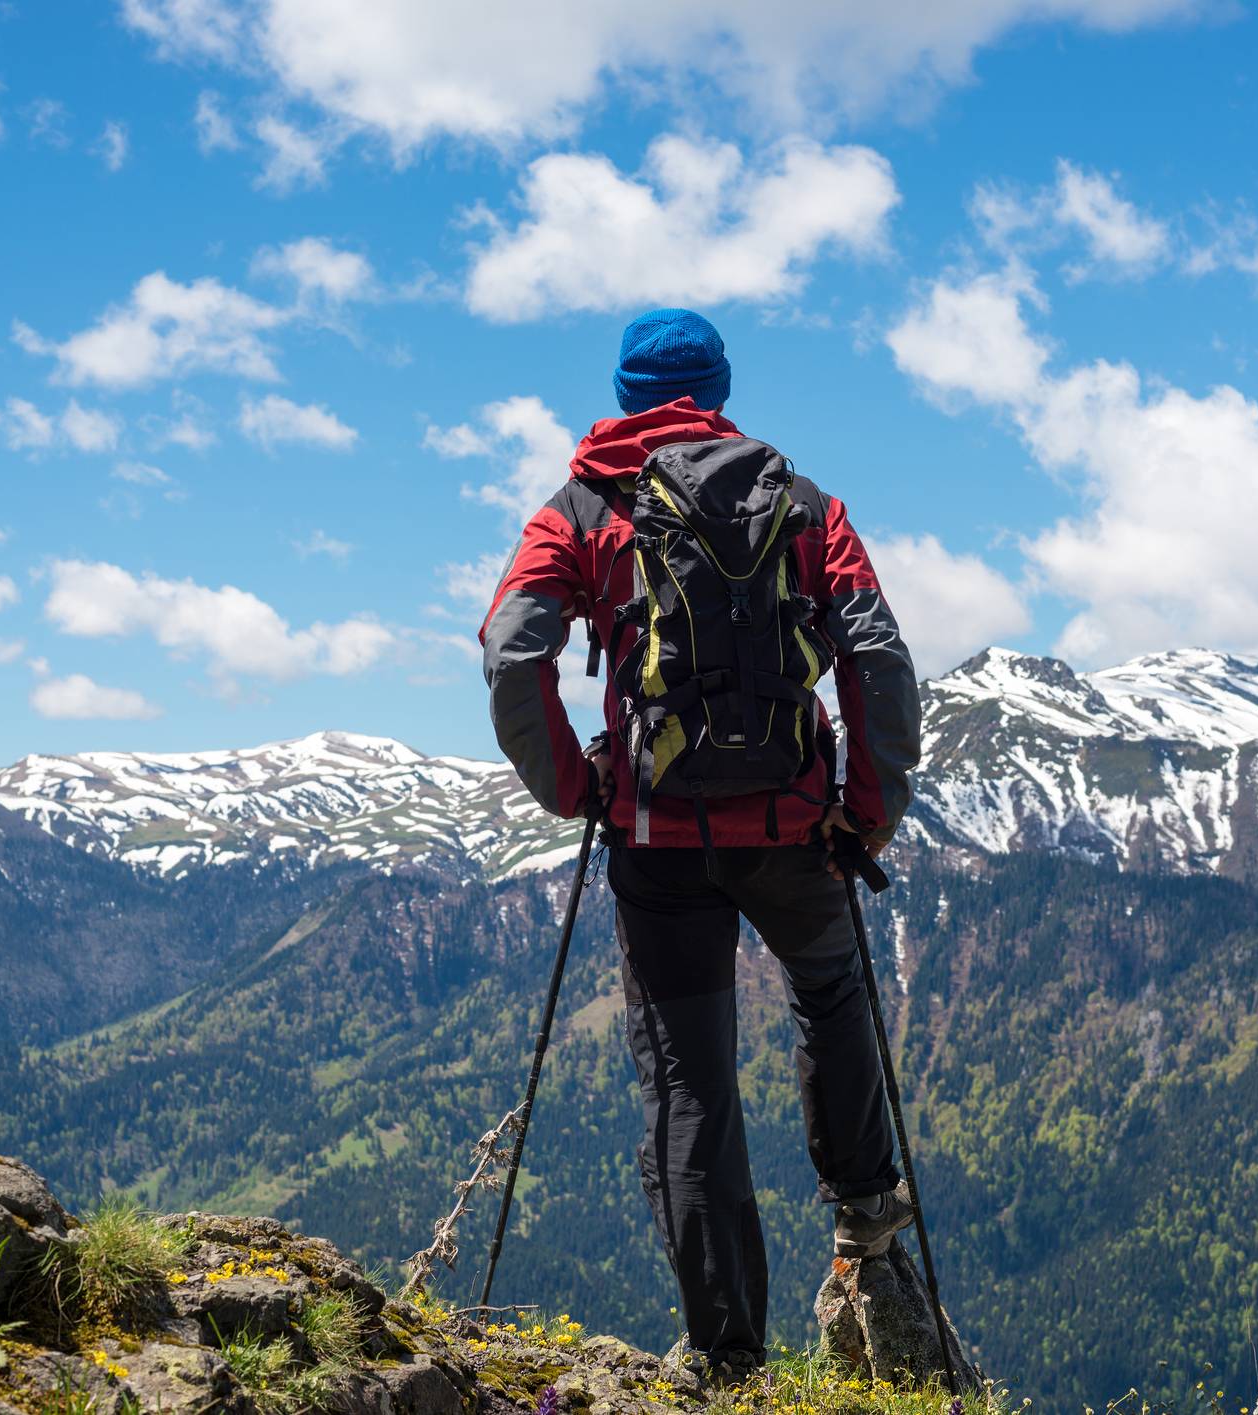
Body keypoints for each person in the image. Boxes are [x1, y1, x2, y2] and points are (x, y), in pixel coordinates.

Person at [478, 308, 923, 1382]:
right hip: (790, 824)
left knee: (689, 1082)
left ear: (625, 392)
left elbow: (509, 652)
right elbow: (876, 655)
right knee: (829, 994)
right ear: (719, 388)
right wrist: (866, 807)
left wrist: (572, 787)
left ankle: (729, 1352)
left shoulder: (582, 507)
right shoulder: (802, 504)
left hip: (656, 839)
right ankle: (864, 1212)